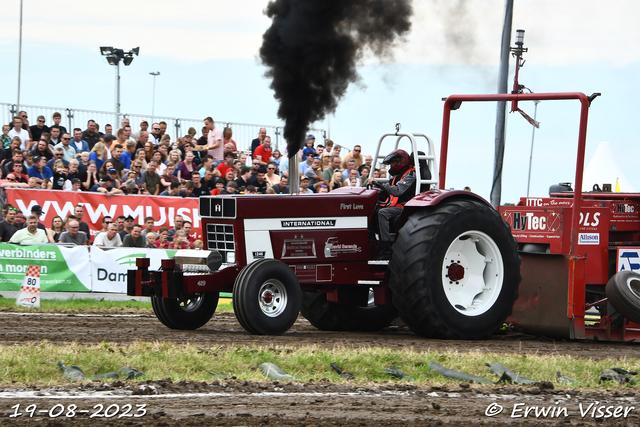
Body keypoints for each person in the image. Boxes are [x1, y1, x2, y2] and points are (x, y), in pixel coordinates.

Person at [367, 149, 416, 260]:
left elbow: (398, 191)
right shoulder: (395, 177)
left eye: (393, 162)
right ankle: (370, 242)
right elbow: (386, 192)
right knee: (373, 208)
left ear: (400, 161)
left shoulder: (410, 175)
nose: (391, 165)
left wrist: (378, 183)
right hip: (394, 205)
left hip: (406, 207)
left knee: (382, 213)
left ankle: (385, 248)